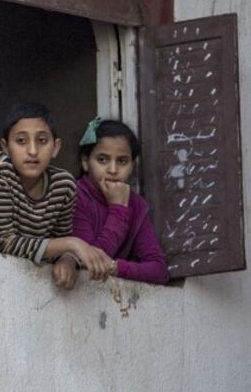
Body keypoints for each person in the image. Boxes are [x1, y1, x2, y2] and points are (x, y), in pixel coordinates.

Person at [0, 103, 111, 280]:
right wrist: (72, 244)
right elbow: (1, 242)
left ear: (56, 147)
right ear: (5, 147)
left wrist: (67, 259)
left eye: (42, 141)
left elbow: (59, 241)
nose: (32, 151)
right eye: (21, 141)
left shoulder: (63, 185)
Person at [56, 118, 169, 288]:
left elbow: (159, 271)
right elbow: (89, 262)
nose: (113, 170)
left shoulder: (136, 204)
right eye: (102, 160)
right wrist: (119, 210)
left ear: (132, 166)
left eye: (122, 161)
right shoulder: (74, 196)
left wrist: (115, 267)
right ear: (86, 162)